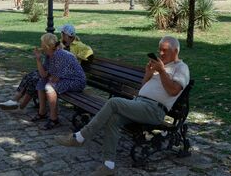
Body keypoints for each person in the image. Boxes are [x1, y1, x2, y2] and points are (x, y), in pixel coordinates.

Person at [56, 36, 190, 176]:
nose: (161, 53)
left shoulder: (181, 68)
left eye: (165, 50)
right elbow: (143, 91)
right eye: (159, 50)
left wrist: (162, 71)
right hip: (140, 104)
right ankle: (109, 166)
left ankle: (81, 137)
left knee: (114, 102)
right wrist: (148, 74)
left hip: (154, 110)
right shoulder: (160, 67)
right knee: (113, 119)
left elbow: (174, 90)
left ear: (175, 51)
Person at [0, 24, 93, 112]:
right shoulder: (58, 45)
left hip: (69, 76)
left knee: (37, 80)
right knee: (30, 76)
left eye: (63, 34)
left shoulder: (72, 46)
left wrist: (78, 57)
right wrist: (39, 59)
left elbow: (88, 51)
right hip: (57, 70)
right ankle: (15, 101)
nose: (62, 35)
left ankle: (21, 105)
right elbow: (48, 70)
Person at [31, 33, 86, 130]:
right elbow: (43, 75)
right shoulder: (49, 55)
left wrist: (51, 78)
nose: (40, 46)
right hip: (65, 79)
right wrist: (38, 60)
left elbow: (55, 78)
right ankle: (42, 112)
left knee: (49, 87)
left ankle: (54, 119)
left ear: (46, 46)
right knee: (41, 82)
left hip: (76, 81)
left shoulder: (60, 55)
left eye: (42, 44)